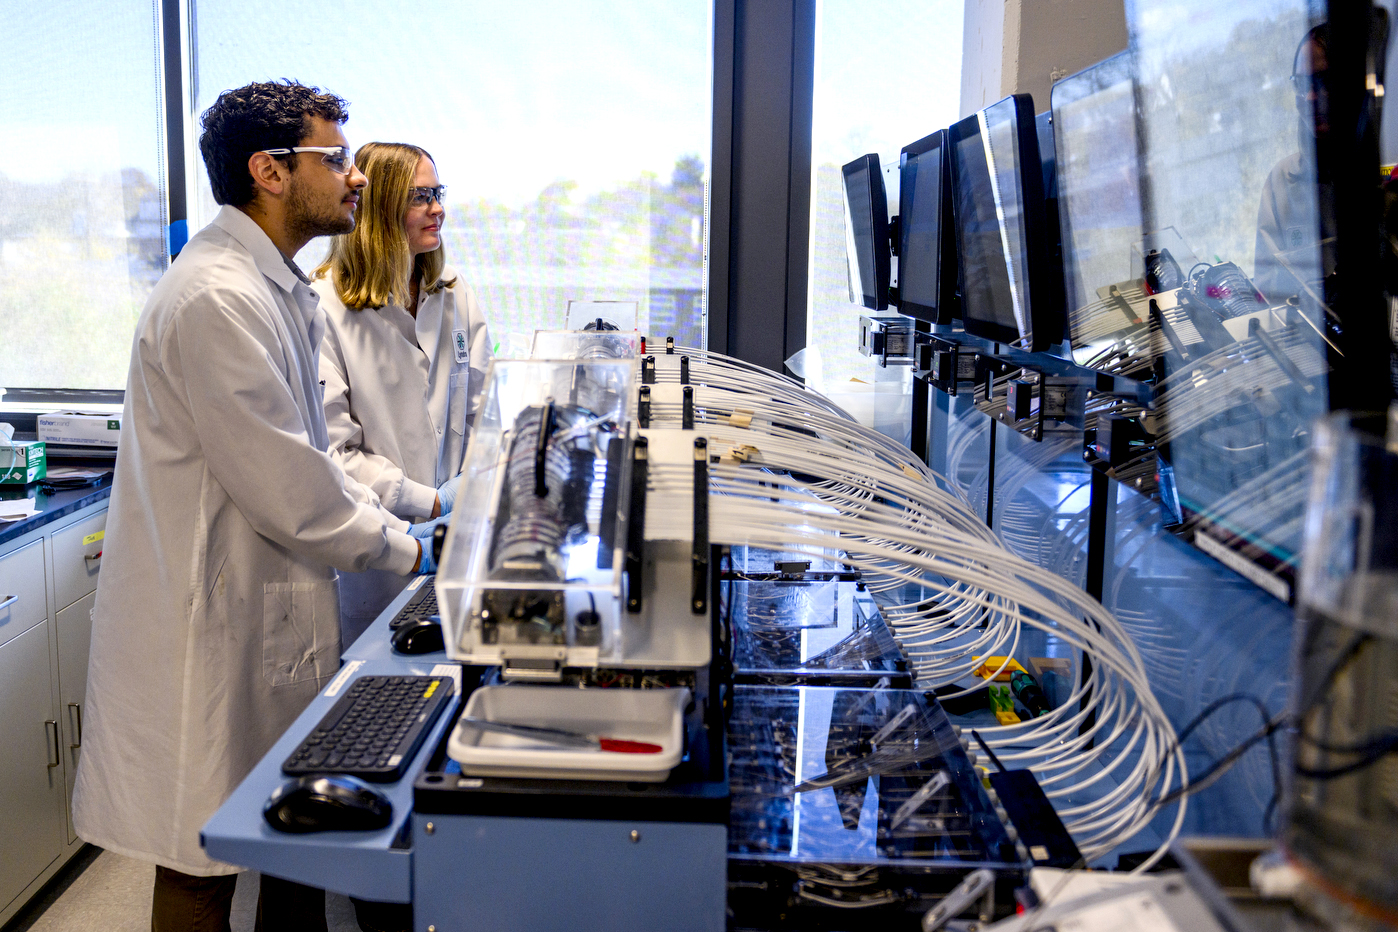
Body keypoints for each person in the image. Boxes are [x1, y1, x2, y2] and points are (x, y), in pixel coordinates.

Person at [71, 81, 433, 932]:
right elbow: (289, 488)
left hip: (265, 616)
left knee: (287, 843)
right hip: (206, 631)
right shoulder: (215, 298)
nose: (354, 177)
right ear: (269, 170)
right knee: (202, 864)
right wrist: (412, 551)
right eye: (334, 158)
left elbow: (315, 461)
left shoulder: (274, 288)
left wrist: (408, 525)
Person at [312, 142, 492, 644]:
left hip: (459, 543)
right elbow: (335, 453)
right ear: (380, 208)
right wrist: (430, 504)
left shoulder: (454, 293)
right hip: (375, 554)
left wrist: (469, 493)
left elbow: (484, 414)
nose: (438, 208)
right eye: (420, 197)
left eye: (438, 192)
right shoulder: (322, 307)